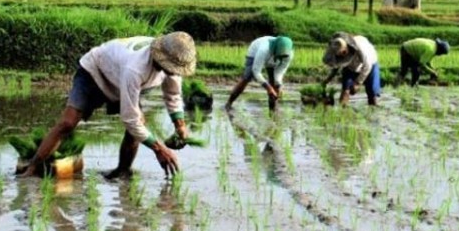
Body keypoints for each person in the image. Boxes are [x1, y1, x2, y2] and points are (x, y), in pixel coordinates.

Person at [18, 32, 197, 178]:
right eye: (171, 68)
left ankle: (122, 171)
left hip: (120, 79)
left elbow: (173, 95)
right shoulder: (136, 68)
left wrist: (179, 126)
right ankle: (33, 166)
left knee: (138, 125)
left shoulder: (172, 64)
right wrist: (159, 149)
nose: (174, 73)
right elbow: (129, 119)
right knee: (68, 123)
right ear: (160, 58)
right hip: (95, 72)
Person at [224, 35, 294, 111]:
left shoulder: (288, 55)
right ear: (276, 50)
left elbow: (279, 72)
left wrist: (279, 84)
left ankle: (273, 109)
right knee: (247, 77)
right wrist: (268, 88)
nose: (281, 58)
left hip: (272, 57)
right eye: (280, 55)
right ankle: (229, 103)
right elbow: (256, 71)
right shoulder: (264, 49)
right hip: (255, 53)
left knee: (274, 83)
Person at [322, 32, 381, 106]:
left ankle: (373, 110)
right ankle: (343, 111)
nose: (342, 56)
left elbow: (367, 66)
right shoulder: (338, 49)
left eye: (343, 53)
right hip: (350, 67)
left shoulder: (362, 48)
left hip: (370, 65)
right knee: (345, 91)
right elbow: (337, 66)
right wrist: (328, 79)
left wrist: (357, 83)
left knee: (372, 94)